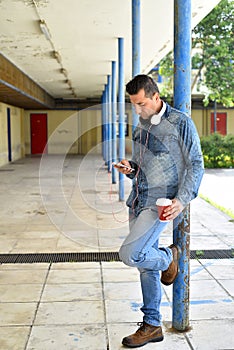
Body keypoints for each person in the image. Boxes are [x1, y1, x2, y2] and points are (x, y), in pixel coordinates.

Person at [114, 74, 204, 348]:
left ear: (155, 96)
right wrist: (131, 169)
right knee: (144, 266)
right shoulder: (141, 126)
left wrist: (182, 200)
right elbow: (143, 168)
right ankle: (152, 324)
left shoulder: (180, 122)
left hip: (160, 204)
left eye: (142, 104)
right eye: (134, 105)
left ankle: (168, 257)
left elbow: (196, 164)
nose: (139, 111)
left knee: (131, 254)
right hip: (138, 200)